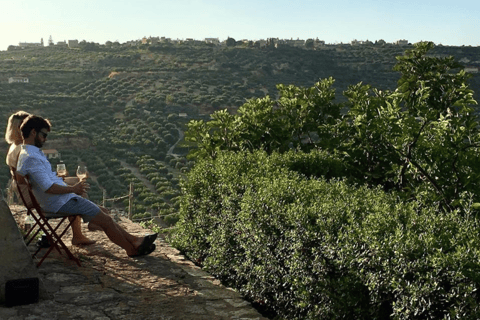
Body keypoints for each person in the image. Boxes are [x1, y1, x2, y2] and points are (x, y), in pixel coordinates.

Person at [16, 115, 157, 257]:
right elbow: (49, 188)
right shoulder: (32, 158)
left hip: (55, 201)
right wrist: (73, 189)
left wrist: (42, 183)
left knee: (102, 212)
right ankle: (131, 249)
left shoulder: (25, 154)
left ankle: (133, 239)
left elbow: (20, 178)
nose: (45, 139)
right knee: (106, 220)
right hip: (60, 202)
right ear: (33, 132)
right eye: (43, 135)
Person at [5, 111, 96, 246]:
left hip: (28, 189)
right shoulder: (22, 150)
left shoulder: (15, 147)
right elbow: (27, 179)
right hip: (32, 192)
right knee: (75, 184)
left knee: (71, 184)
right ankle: (80, 231)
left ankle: (82, 225)